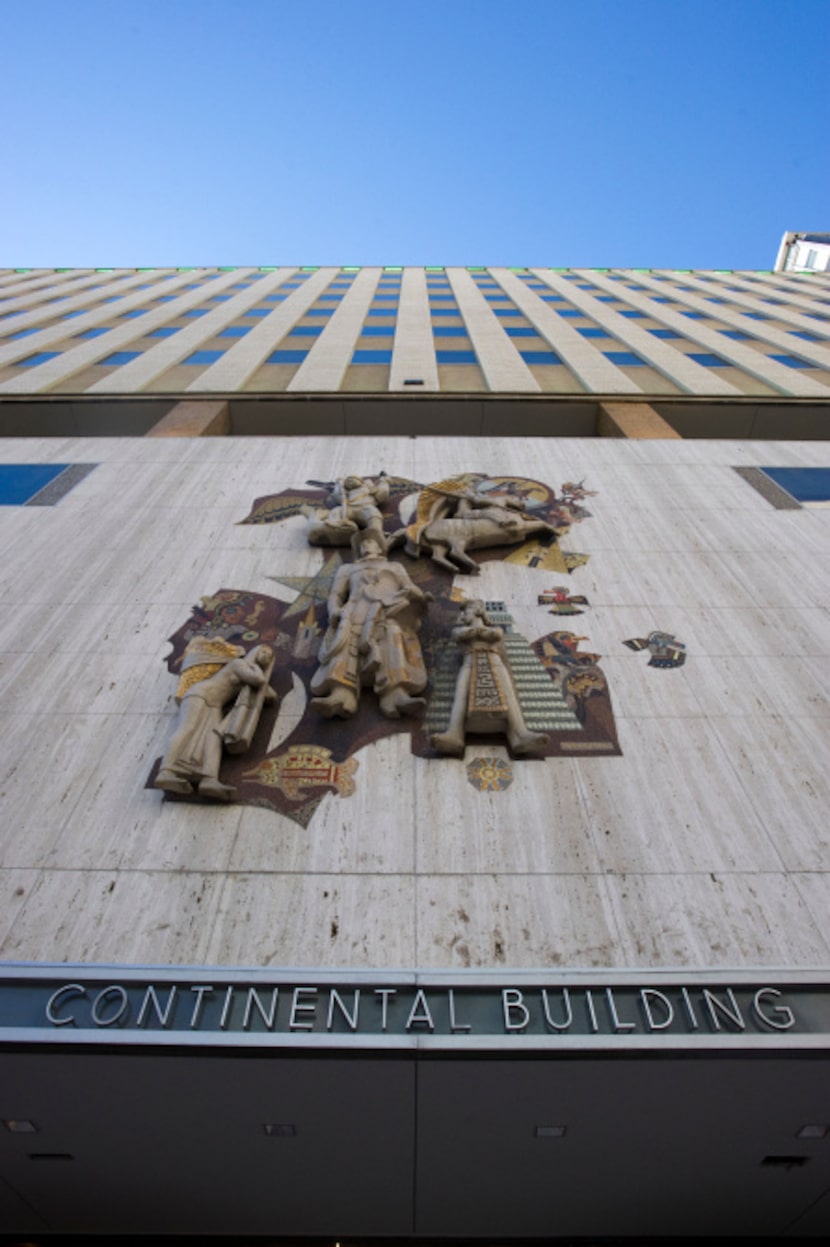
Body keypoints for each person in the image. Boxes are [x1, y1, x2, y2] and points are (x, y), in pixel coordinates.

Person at [311, 531, 430, 719]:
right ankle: (341, 693)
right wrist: (335, 610)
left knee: (392, 636)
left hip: (385, 608)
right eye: (362, 543)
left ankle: (396, 693)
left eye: (371, 541)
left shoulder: (393, 566)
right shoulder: (348, 569)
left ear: (380, 546)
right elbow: (336, 594)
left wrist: (415, 594)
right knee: (346, 642)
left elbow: (409, 586)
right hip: (355, 609)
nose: (366, 544)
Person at [156, 642, 276, 802]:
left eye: (270, 657)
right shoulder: (239, 664)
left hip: (214, 704)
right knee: (188, 728)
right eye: (264, 653)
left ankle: (209, 779)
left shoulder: (250, 670)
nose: (266, 658)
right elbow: (258, 680)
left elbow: (269, 695)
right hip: (200, 695)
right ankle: (165, 771)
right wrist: (262, 672)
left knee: (214, 738)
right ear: (255, 652)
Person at [431, 600, 549, 756]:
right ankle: (454, 734)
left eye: (468, 611)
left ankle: (520, 734)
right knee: (460, 697)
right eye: (466, 612)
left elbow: (496, 634)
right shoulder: (460, 629)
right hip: (469, 661)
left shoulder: (494, 628)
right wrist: (475, 629)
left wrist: (479, 628)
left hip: (494, 662)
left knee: (509, 696)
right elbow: (461, 635)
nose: (466, 615)